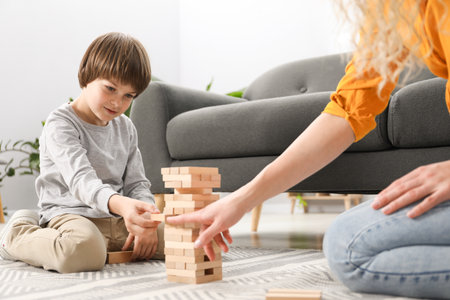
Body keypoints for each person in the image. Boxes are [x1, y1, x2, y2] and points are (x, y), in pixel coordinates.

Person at [168, 1, 450, 298]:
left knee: (349, 249)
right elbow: (347, 112)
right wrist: (241, 200)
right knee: (349, 239)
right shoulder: (393, 11)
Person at [0, 32, 163, 273]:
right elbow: (81, 182)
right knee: (83, 252)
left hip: (118, 219)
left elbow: (137, 183)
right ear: (87, 75)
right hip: (70, 218)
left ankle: (112, 242)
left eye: (128, 96)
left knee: (194, 239)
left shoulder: (125, 127)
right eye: (110, 88)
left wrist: (148, 221)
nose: (118, 103)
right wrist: (123, 206)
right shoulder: (61, 124)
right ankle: (17, 234)